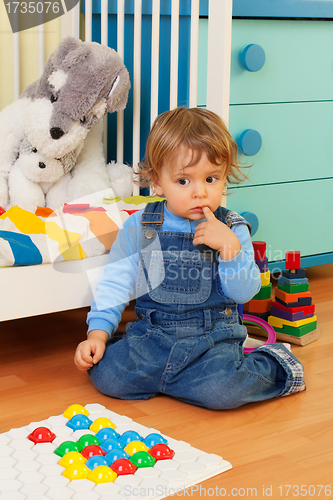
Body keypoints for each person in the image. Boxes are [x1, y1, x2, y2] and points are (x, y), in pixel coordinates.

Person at [74, 107, 305, 409]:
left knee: (222, 392)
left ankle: (279, 364)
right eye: (184, 181)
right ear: (157, 181)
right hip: (152, 337)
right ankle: (167, 375)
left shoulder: (232, 228)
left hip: (210, 342)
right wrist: (97, 335)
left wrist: (230, 251)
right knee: (108, 376)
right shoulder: (140, 226)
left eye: (211, 178)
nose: (200, 193)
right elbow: (115, 285)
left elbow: (244, 292)